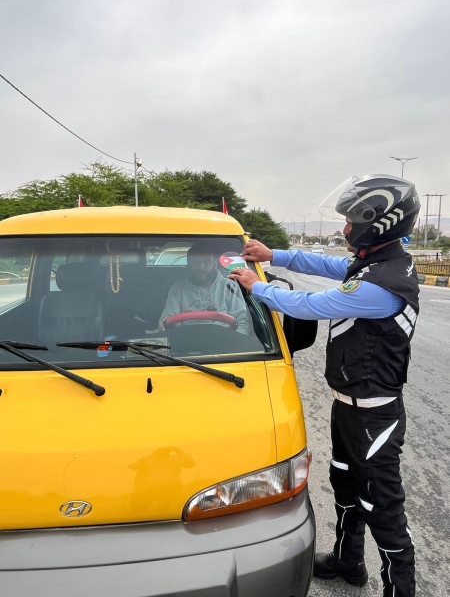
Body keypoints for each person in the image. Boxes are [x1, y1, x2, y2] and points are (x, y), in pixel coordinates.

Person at [229, 175, 420, 597]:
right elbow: (329, 266)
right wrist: (273, 255)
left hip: (374, 414)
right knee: (345, 483)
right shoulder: (377, 262)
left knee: (383, 507)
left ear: (379, 225)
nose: (346, 229)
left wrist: (257, 287)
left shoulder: (382, 284)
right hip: (348, 406)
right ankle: (349, 562)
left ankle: (400, 589)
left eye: (352, 222)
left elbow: (310, 305)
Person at [159, 242, 250, 334]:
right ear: (189, 264)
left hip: (223, 339)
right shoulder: (178, 288)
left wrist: (235, 340)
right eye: (195, 262)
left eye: (206, 261)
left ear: (214, 264)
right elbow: (168, 317)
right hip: (187, 338)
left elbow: (241, 322)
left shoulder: (229, 287)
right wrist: (167, 322)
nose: (200, 266)